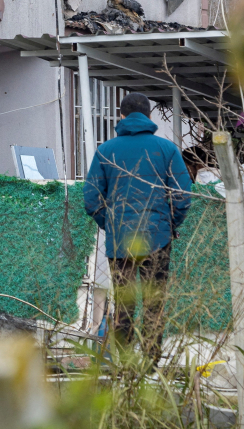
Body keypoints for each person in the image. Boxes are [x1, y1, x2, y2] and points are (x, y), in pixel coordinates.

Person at [83, 91, 191, 362]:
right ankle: (152, 364)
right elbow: (183, 195)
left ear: (121, 116)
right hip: (158, 237)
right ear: (149, 116)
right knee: (155, 303)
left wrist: (110, 225)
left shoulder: (105, 150)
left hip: (120, 241)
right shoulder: (167, 149)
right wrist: (168, 224)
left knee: (124, 305)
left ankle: (123, 366)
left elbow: (91, 199)